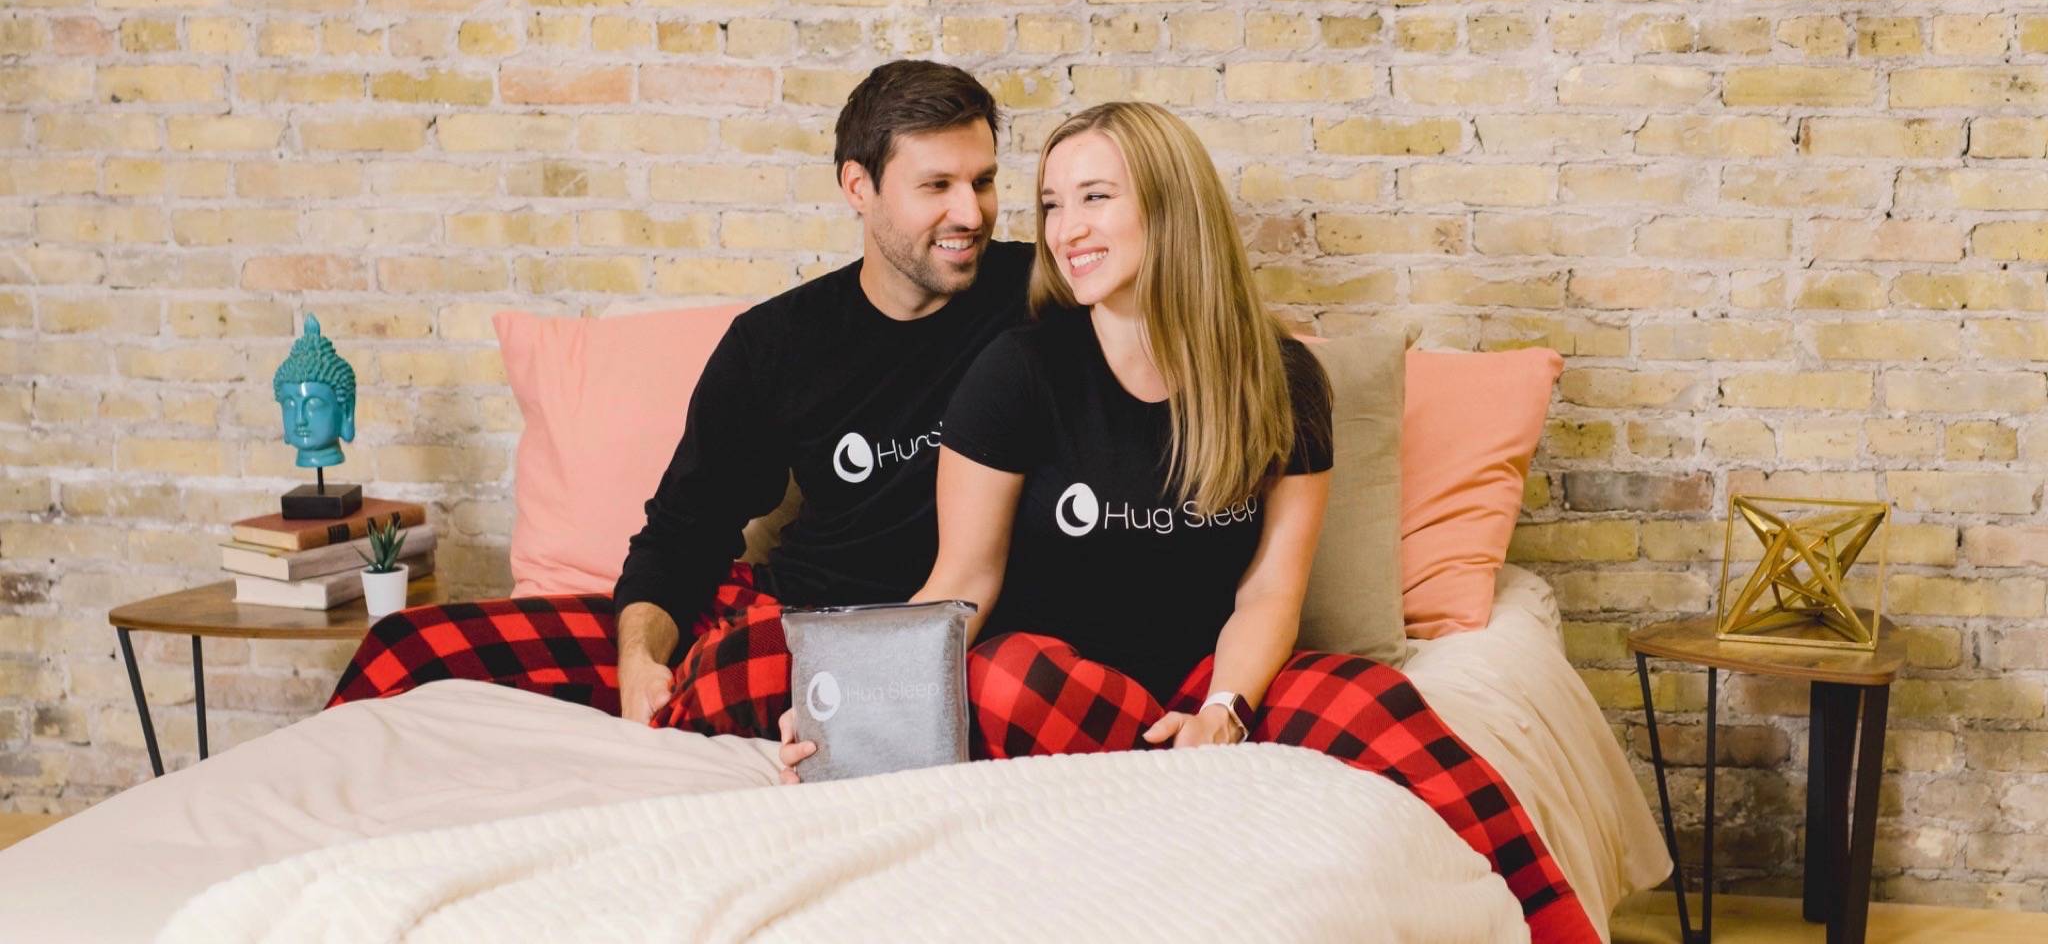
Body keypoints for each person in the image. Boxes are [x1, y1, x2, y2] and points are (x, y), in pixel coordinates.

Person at [683, 101, 1598, 943]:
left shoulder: (1282, 378)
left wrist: (1226, 711)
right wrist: (865, 725)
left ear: (1170, 207)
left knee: (1375, 698)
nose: (1067, 228)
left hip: (1217, 677)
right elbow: (961, 585)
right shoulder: (1019, 371)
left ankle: (1560, 929)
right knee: (1007, 680)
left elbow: (1271, 588)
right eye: (1051, 203)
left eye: (1095, 197)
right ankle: (1183, 792)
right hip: (1059, 687)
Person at [326, 60, 1034, 723]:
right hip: (782, 606)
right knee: (410, 648)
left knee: (727, 676)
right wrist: (636, 661)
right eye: (937, 186)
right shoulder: (778, 342)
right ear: (858, 187)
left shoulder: (1037, 297)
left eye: (984, 181)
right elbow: (684, 532)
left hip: (890, 640)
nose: (971, 213)